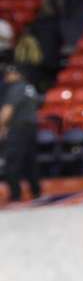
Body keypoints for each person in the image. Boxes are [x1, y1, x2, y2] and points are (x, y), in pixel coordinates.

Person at [1, 64, 42, 204]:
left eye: (9, 74)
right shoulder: (29, 88)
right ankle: (36, 191)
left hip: (18, 128)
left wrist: (1, 126)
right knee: (30, 161)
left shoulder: (16, 88)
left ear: (17, 74)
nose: (6, 77)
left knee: (12, 162)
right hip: (31, 128)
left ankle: (15, 194)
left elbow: (7, 110)